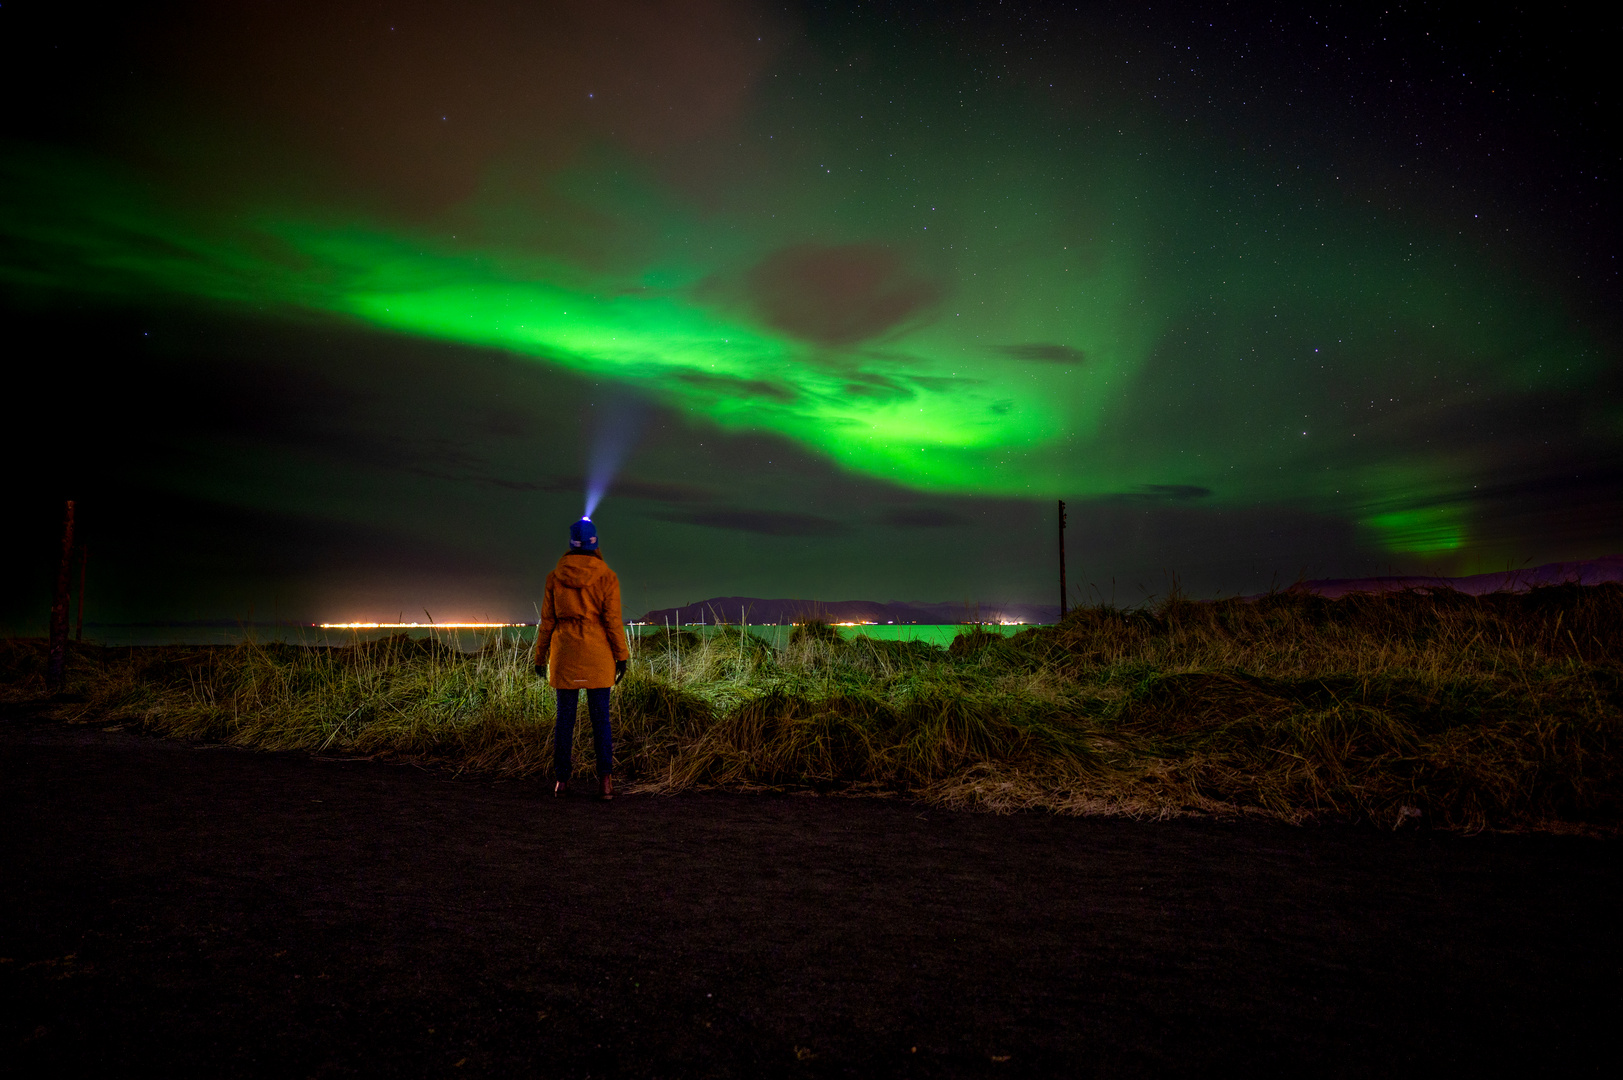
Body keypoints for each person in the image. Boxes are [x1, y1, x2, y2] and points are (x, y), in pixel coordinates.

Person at [533, 517, 629, 799]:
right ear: (595, 543)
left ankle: (561, 782)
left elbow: (547, 622)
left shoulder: (554, 577)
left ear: (570, 545)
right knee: (601, 720)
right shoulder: (607, 576)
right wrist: (621, 656)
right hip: (599, 654)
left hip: (565, 654)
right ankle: (605, 783)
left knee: (565, 719)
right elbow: (612, 622)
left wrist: (541, 657)